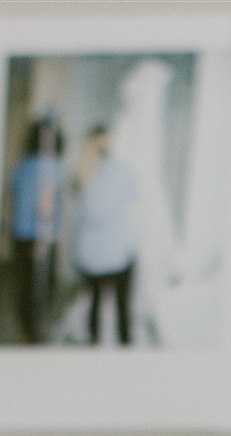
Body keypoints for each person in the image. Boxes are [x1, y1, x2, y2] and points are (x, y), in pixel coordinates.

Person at [72, 125, 139, 347]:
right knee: (123, 308)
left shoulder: (82, 175)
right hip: (118, 253)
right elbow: (133, 198)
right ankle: (125, 345)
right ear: (110, 143)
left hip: (90, 256)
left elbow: (82, 215)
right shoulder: (123, 171)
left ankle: (93, 344)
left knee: (94, 304)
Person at [6, 117, 64, 344]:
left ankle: (32, 330)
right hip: (32, 233)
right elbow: (30, 201)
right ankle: (32, 330)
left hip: (34, 233)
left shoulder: (29, 166)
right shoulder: (36, 167)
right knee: (32, 284)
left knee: (32, 284)